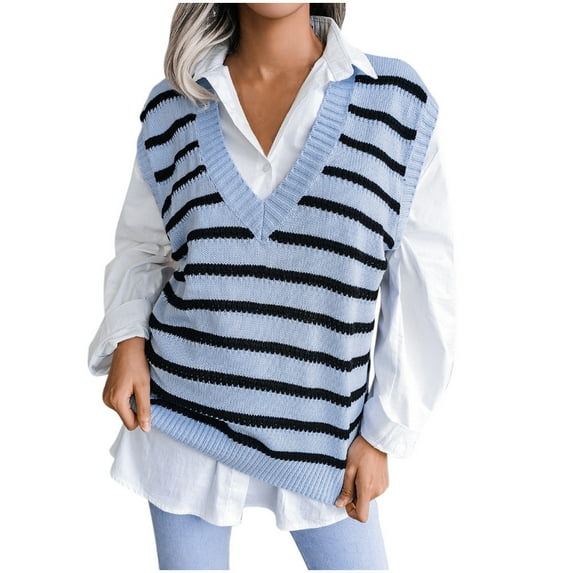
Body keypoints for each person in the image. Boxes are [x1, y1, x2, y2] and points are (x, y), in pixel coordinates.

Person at [88, 3, 455, 570]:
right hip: (180, 421)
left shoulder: (396, 106)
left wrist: (385, 434)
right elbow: (142, 246)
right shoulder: (174, 107)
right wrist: (128, 340)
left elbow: (424, 291)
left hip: (323, 442)